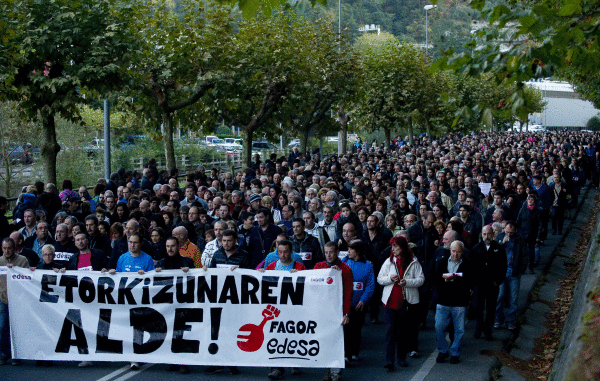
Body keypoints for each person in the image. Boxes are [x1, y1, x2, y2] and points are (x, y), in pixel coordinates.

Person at [106, 232, 154, 370]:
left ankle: (137, 355)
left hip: (140, 299)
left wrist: (145, 276)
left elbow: (152, 281)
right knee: (126, 326)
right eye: (130, 242)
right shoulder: (122, 258)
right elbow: (118, 278)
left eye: (135, 242)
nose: (132, 245)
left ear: (141, 244)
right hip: (125, 298)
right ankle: (129, 354)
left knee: (138, 327)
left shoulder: (148, 259)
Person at [377, 236, 424, 370]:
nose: (393, 249)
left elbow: (421, 279)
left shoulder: (413, 262)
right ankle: (389, 360)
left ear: (402, 247)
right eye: (392, 246)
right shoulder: (389, 261)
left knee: (402, 331)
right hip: (390, 301)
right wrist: (390, 279)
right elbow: (380, 278)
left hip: (406, 300)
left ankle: (401, 358)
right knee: (390, 331)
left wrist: (407, 282)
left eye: (395, 246)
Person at [315, 241, 352, 381]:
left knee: (337, 341)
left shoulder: (346, 270)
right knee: (325, 341)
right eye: (326, 252)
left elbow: (348, 293)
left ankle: (337, 372)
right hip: (323, 310)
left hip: (338, 311)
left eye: (331, 252)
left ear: (337, 252)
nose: (328, 255)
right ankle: (328, 371)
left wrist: (346, 313)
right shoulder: (319, 267)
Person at [434, 241, 472, 364]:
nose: (455, 254)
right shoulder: (442, 262)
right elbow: (436, 280)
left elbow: (469, 282)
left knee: (459, 329)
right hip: (443, 301)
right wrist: (446, 281)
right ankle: (443, 350)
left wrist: (455, 279)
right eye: (453, 251)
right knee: (439, 327)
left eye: (458, 252)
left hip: (459, 302)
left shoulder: (467, 264)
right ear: (450, 251)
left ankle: (455, 352)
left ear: (463, 252)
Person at [342, 240, 375, 363]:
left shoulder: (367, 265)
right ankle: (347, 354)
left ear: (358, 251)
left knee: (356, 329)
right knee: (347, 329)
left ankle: (355, 351)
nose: (348, 251)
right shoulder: (344, 262)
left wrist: (363, 299)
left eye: (351, 249)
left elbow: (370, 285)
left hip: (359, 304)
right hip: (346, 303)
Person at [471, 226, 507, 341]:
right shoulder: (476, 248)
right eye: (484, 234)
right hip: (479, 283)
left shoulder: (499, 248)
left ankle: (488, 329)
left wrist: (498, 280)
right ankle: (479, 326)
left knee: (491, 308)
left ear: (493, 234)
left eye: (489, 234)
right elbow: (472, 267)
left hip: (492, 283)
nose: (487, 236)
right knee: (477, 307)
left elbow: (503, 266)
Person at [0, 238, 29, 365]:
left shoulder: (22, 260)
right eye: (4, 248)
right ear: (2, 248)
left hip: (19, 300)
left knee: (17, 327)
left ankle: (17, 355)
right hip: (3, 299)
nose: (7, 251)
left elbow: (28, 279)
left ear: (15, 248)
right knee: (3, 326)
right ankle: (4, 354)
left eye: (9, 248)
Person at [494, 221, 528, 331]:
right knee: (500, 296)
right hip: (501, 271)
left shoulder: (520, 239)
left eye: (511, 233)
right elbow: (493, 252)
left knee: (513, 299)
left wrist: (521, 270)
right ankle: (498, 319)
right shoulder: (499, 237)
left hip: (514, 271)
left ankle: (510, 321)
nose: (508, 235)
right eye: (507, 232)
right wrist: (501, 243)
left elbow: (524, 255)